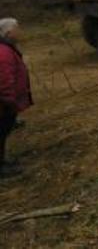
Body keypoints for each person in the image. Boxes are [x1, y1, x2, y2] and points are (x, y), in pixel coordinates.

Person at [0, 18, 32, 178]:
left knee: (4, 132)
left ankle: (3, 162)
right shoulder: (4, 52)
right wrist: (10, 101)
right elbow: (5, 79)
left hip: (7, 102)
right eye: (17, 29)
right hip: (5, 103)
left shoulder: (6, 48)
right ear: (8, 32)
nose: (19, 32)